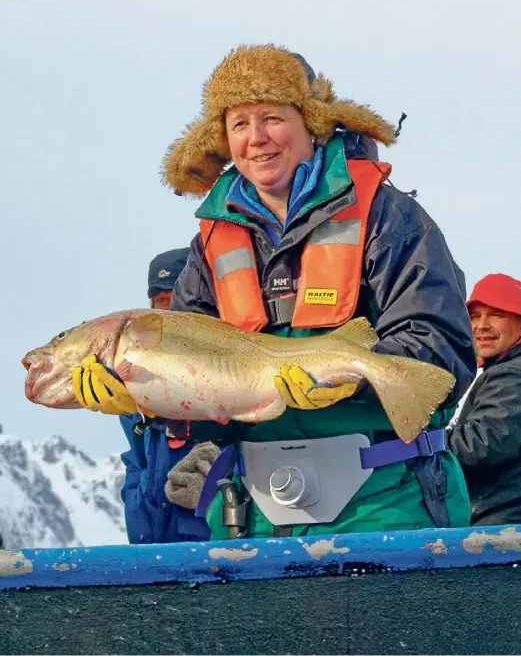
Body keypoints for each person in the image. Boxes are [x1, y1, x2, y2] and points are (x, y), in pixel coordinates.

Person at [72, 44, 476, 539]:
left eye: (272, 118)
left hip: (387, 500)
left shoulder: (389, 217)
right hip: (254, 513)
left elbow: (441, 352)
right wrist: (147, 398)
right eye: (239, 124)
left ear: (311, 122)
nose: (257, 139)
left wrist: (347, 381)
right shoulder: (210, 247)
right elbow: (205, 404)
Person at [108, 248, 220, 543]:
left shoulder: (225, 378)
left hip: (217, 554)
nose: (167, 315)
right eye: (160, 303)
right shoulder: (134, 387)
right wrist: (139, 500)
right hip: (155, 550)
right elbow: (136, 461)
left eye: (178, 302)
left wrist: (214, 496)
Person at [447, 273, 521, 526]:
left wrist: (425, 443)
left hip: (502, 526)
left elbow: (484, 444)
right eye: (475, 316)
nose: (482, 325)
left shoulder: (511, 374)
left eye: (497, 314)